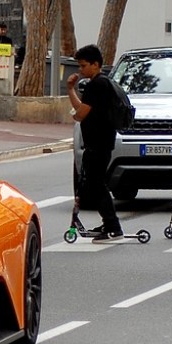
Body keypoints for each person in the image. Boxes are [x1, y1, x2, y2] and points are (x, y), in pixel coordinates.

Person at [67, 43, 124, 242]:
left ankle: (112, 226)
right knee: (96, 183)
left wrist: (76, 112)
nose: (80, 70)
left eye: (83, 66)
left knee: (96, 184)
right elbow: (82, 108)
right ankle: (109, 222)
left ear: (95, 64)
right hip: (102, 141)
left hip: (98, 143)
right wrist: (70, 90)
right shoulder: (102, 83)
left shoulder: (96, 85)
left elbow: (80, 113)